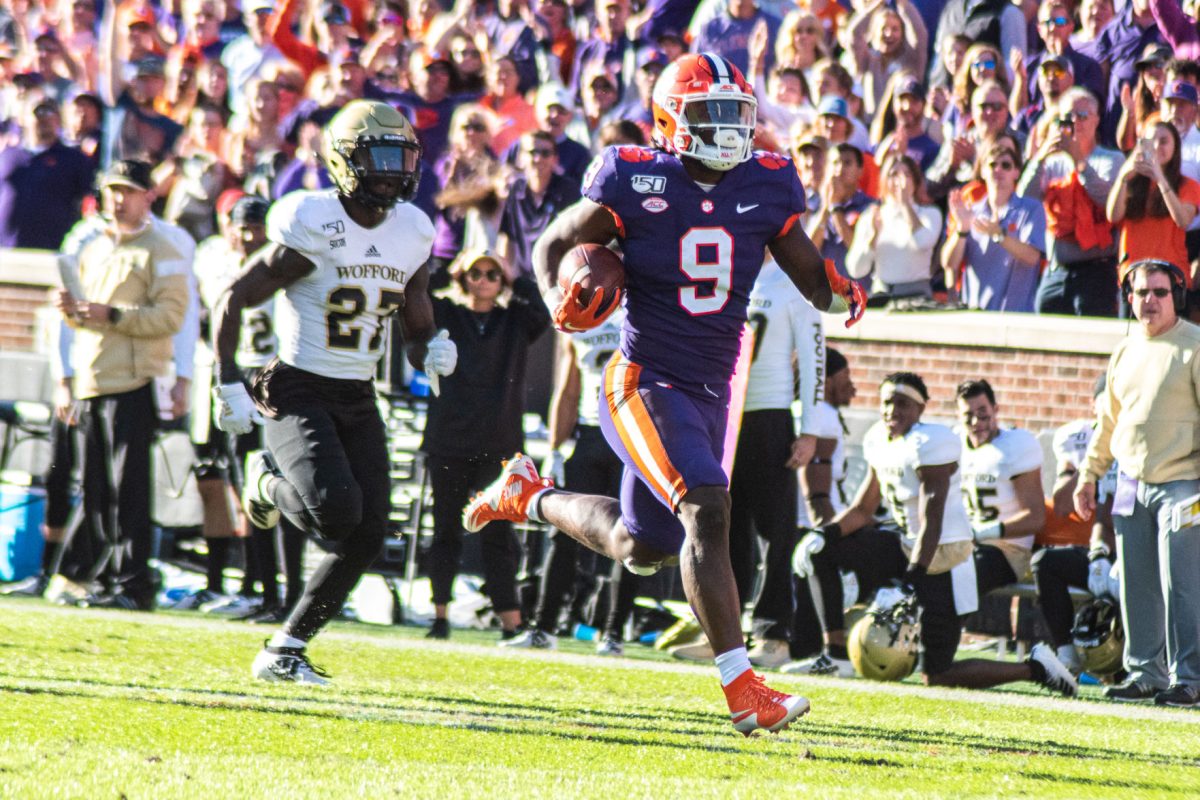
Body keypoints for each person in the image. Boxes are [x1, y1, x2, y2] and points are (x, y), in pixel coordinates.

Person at [463, 52, 866, 736]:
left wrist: (845, 286)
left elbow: (808, 274)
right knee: (707, 508)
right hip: (644, 379)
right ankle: (744, 690)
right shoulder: (631, 175)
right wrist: (561, 293)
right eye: (712, 114)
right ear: (670, 120)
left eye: (738, 114)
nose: (730, 129)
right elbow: (555, 241)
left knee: (639, 544)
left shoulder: (768, 182)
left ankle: (527, 494)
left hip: (710, 392)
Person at [210, 100, 456, 684]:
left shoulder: (412, 231)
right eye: (381, 156)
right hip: (296, 386)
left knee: (368, 532)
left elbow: (416, 321)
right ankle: (266, 483)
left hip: (356, 391)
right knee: (336, 512)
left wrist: (434, 347)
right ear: (344, 161)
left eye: (404, 157)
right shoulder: (315, 221)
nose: (394, 170)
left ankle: (285, 648)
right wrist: (226, 380)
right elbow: (232, 299)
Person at [789, 373, 1077, 697]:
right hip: (908, 544)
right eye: (886, 402)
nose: (891, 411)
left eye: (902, 404)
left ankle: (1034, 667)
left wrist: (909, 583)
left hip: (949, 560)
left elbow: (934, 520)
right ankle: (837, 653)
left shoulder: (938, 444)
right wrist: (824, 533)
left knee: (938, 675)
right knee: (823, 552)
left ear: (920, 408)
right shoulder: (881, 440)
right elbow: (862, 509)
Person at [50, 159, 193, 611]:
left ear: (149, 195)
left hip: (133, 380)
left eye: (128, 190)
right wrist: (72, 310)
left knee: (127, 489)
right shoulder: (95, 247)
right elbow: (87, 319)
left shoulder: (163, 249)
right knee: (94, 488)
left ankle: (133, 583)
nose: (118, 198)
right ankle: (97, 577)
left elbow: (171, 317)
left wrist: (109, 315)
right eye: (113, 189)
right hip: (94, 378)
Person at [1074, 259, 1200, 707]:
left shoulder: (1194, 345)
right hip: (1130, 482)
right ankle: (1144, 673)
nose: (1150, 300)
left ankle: (1189, 679)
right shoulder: (1124, 350)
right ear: (1129, 298)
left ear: (1176, 296)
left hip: (1184, 483)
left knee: (1182, 584)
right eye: (1142, 292)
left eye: (1160, 292)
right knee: (1136, 583)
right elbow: (1107, 422)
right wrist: (1089, 474)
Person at [421, 248, 550, 642]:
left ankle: (511, 622)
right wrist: (456, 267)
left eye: (492, 274)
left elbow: (543, 310)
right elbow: (423, 290)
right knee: (445, 529)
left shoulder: (514, 320)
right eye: (476, 273)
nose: (483, 280)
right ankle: (439, 615)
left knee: (499, 535)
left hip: (499, 444)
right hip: (449, 439)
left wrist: (513, 275)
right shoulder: (446, 313)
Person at [506, 307, 626, 651]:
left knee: (632, 534)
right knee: (563, 534)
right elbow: (568, 390)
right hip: (589, 433)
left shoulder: (642, 312)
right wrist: (556, 449)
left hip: (630, 436)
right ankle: (543, 627)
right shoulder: (580, 317)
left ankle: (614, 632)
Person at [726, 253, 825, 670]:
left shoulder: (790, 282)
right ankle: (724, 628)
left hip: (770, 412)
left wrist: (809, 429)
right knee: (722, 527)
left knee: (775, 532)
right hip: (723, 416)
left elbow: (814, 356)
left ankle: (772, 631)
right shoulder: (724, 270)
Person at [1033, 373, 1119, 674]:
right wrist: (1093, 460)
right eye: (1107, 401)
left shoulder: (1138, 441)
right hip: (1097, 551)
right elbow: (1060, 504)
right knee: (1046, 563)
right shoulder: (1077, 440)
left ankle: (1145, 668)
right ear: (1094, 405)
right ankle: (1067, 654)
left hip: (1134, 551)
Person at [1019, 88, 1122, 317]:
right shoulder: (1052, 162)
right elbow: (1024, 199)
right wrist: (1040, 157)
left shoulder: (1111, 160)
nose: (1075, 122)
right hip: (1056, 271)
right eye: (1067, 116)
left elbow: (1107, 203)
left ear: (1096, 120)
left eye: (1082, 115)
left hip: (1097, 270)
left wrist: (1078, 161)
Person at [955, 380, 1045, 602]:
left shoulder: (1015, 446)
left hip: (1007, 550)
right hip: (963, 546)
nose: (976, 422)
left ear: (996, 410)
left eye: (983, 414)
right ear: (958, 416)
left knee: (958, 580)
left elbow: (1035, 517)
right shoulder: (953, 445)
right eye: (968, 416)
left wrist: (983, 533)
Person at [942, 142, 1046, 311]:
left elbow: (1032, 257)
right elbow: (949, 264)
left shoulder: (1031, 208)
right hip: (975, 315)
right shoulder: (970, 211)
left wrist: (999, 235)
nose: (998, 170)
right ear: (983, 171)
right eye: (992, 165)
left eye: (1006, 165)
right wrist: (961, 230)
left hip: (1017, 317)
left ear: (1016, 172)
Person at [1107, 121, 1200, 295]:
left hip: (1171, 277)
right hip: (1133, 276)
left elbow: (1183, 220)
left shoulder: (1188, 185)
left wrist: (1159, 177)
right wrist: (1123, 178)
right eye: (1150, 141)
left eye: (1164, 141)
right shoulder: (1132, 182)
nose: (1157, 147)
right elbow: (1113, 215)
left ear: (1175, 147)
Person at [846, 153, 942, 301]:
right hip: (882, 294)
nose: (900, 180)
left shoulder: (929, 214)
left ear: (915, 181)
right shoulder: (872, 216)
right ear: (884, 180)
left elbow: (922, 242)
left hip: (917, 295)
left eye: (907, 174)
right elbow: (856, 269)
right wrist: (873, 237)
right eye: (893, 174)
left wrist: (905, 204)